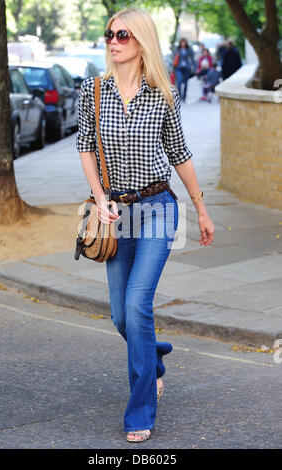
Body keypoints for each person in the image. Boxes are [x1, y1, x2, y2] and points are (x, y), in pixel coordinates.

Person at [76, 6, 214, 443]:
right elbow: (84, 148)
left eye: (123, 35)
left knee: (138, 306)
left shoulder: (162, 94)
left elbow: (180, 153)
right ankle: (153, 356)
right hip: (115, 213)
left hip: (157, 208)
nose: (113, 41)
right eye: (109, 34)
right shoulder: (92, 90)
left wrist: (202, 207)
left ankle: (140, 410)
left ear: (141, 42)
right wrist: (100, 200)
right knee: (121, 315)